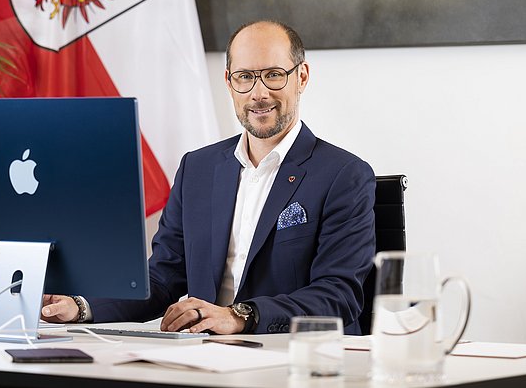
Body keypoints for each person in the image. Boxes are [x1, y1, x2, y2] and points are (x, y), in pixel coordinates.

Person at [41, 20, 376, 335]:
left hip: (297, 362)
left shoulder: (345, 176)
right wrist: (81, 306)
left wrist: (239, 316)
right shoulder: (197, 169)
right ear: (229, 81)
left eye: (274, 75)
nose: (258, 93)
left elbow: (338, 295)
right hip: (206, 354)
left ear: (301, 77)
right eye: (245, 77)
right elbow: (163, 279)